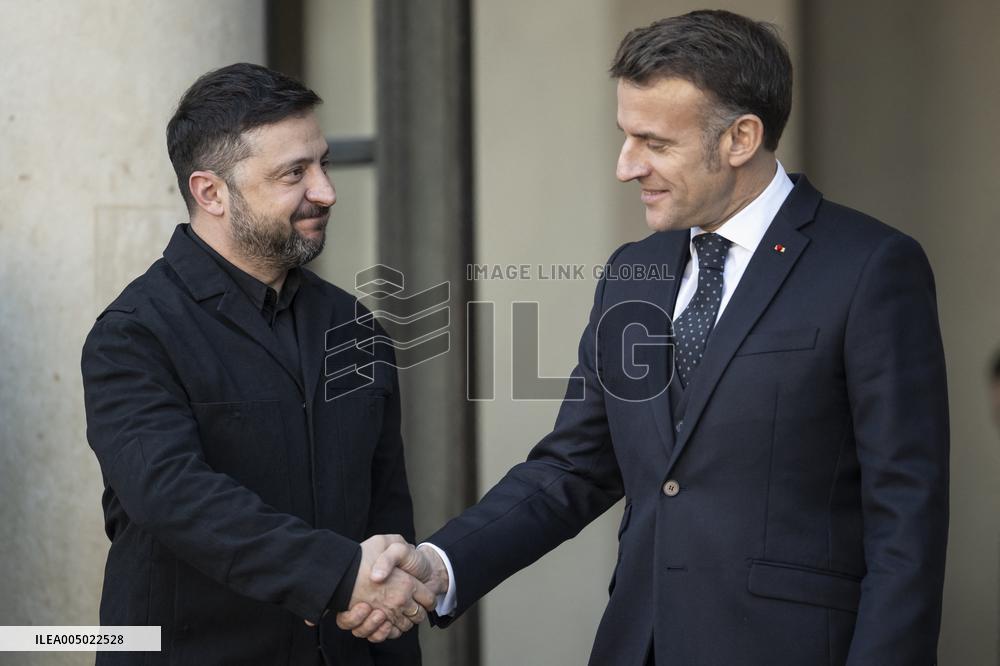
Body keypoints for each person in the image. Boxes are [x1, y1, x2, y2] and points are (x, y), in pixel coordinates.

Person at [339, 10, 950, 665]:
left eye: (654, 143)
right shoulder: (632, 272)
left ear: (741, 138)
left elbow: (906, 515)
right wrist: (440, 565)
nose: (626, 166)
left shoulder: (870, 267)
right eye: (625, 136)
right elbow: (573, 467)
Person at [81, 63, 433, 665]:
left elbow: (386, 515)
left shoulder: (354, 326)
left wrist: (387, 613)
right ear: (210, 192)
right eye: (294, 172)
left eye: (323, 164)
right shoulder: (134, 334)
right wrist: (338, 574)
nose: (325, 191)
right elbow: (173, 496)